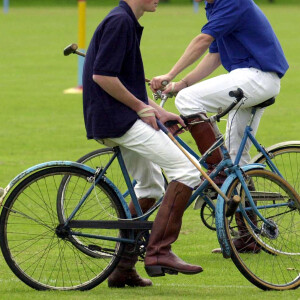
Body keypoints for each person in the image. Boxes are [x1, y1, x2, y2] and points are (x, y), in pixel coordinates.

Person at [82, 0, 203, 288]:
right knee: (187, 172)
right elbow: (102, 76)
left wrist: (158, 111)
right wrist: (140, 107)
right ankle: (159, 253)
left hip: (116, 117)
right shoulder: (120, 22)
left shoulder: (127, 21)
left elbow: (125, 81)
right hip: (117, 119)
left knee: (151, 186)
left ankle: (122, 268)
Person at [150, 0, 288, 252]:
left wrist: (169, 75)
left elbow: (202, 41)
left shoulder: (233, 2)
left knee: (187, 101)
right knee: (236, 160)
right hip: (251, 79)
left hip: (256, 76)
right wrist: (181, 82)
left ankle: (217, 172)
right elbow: (214, 55)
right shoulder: (216, 7)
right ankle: (249, 236)